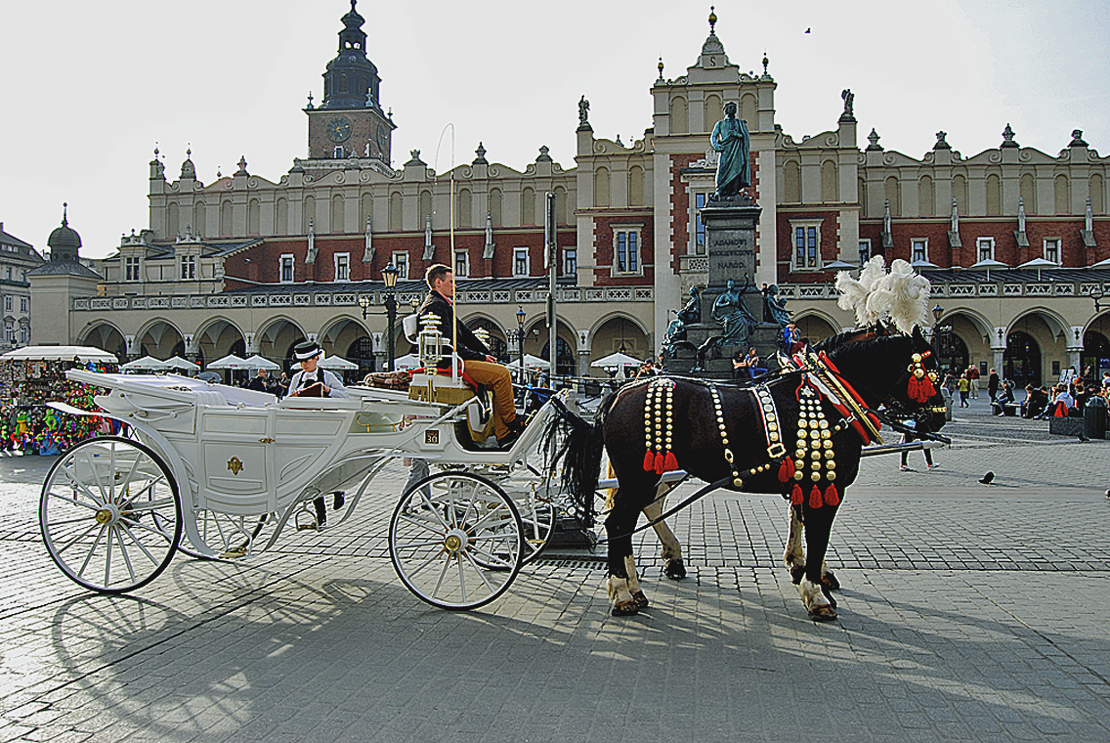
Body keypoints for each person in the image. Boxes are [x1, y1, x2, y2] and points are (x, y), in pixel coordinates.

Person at [417, 264, 523, 448]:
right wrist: (481, 358)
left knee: (499, 372)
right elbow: (450, 346)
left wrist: (488, 355)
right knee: (501, 375)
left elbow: (467, 335)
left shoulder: (444, 306)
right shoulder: (435, 306)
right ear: (438, 282)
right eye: (451, 282)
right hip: (448, 363)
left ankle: (504, 435)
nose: (455, 286)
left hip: (455, 360)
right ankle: (511, 421)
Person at [285, 340, 349, 526]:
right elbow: (287, 400)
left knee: (329, 462)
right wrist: (293, 397)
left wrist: (328, 390)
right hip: (305, 426)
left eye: (308, 360)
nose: (305, 364)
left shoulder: (328, 376)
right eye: (302, 362)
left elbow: (344, 395)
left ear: (316, 358)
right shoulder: (297, 378)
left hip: (325, 425)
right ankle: (320, 515)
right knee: (312, 472)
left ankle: (338, 490)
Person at [710, 101, 751, 199]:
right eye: (729, 107)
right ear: (725, 110)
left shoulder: (740, 123)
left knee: (737, 170)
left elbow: (745, 137)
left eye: (734, 107)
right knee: (722, 170)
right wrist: (716, 145)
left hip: (737, 151)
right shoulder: (720, 124)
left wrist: (738, 135)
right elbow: (714, 136)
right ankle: (720, 190)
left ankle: (734, 191)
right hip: (726, 150)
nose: (732, 109)